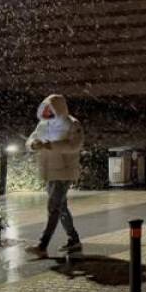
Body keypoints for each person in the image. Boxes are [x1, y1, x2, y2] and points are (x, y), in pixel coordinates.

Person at [24, 94, 83, 255]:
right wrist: (33, 145)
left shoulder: (72, 124)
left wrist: (51, 146)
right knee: (61, 208)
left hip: (64, 172)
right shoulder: (42, 125)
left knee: (54, 208)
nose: (48, 112)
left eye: (51, 109)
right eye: (45, 108)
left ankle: (42, 245)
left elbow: (74, 145)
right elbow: (31, 140)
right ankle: (74, 240)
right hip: (49, 172)